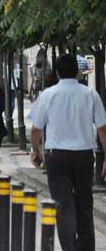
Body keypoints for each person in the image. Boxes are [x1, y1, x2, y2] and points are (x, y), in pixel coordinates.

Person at [30, 54, 106, 251]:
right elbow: (102, 128)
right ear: (78, 71)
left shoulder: (47, 94)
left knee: (63, 205)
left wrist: (35, 149)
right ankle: (87, 247)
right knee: (85, 203)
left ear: (56, 73)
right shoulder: (91, 94)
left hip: (57, 156)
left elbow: (36, 127)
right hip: (84, 155)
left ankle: (69, 247)